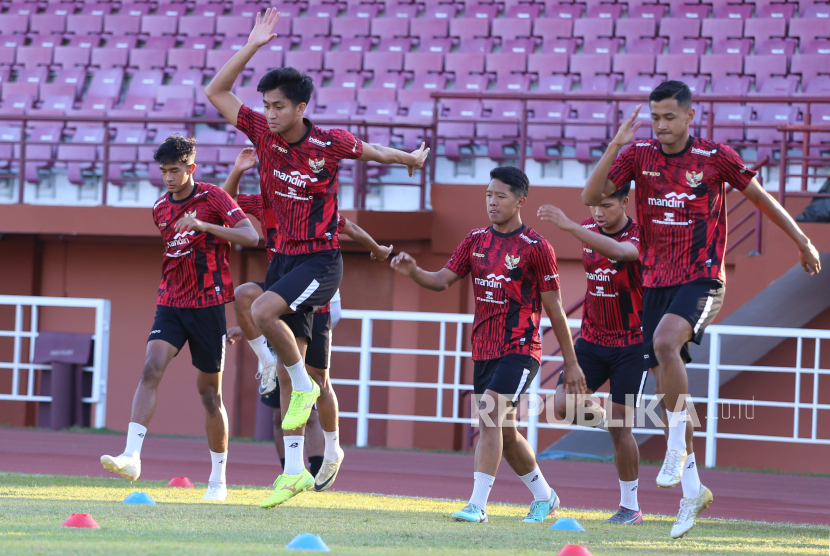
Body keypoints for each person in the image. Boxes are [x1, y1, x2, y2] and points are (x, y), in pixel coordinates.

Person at [206, 8, 428, 507]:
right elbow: (216, 93)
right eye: (265, 105)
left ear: (302, 108)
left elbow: (373, 151)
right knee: (264, 328)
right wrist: (252, 45)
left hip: (321, 264)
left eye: (278, 106)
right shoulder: (262, 135)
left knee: (268, 320)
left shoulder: (329, 143)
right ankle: (291, 470)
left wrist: (411, 159)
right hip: (283, 262)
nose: (269, 113)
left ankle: (320, 424)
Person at [582, 80, 821, 538]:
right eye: (655, 118)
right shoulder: (639, 156)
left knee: (664, 342)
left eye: (670, 116)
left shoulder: (714, 158)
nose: (661, 125)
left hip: (703, 276)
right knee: (667, 377)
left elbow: (762, 200)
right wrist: (616, 142)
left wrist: (803, 240)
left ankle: (675, 448)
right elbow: (592, 197)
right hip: (656, 282)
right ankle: (692, 490)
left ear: (691, 116)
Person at [391, 167, 584, 524]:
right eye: (488, 195)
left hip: (521, 349)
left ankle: (477, 505)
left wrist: (570, 364)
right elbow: (440, 281)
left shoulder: (538, 247)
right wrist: (414, 272)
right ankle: (545, 497)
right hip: (483, 350)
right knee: (506, 434)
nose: (492, 202)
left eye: (501, 196)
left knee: (489, 415)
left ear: (520, 201)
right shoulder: (475, 240)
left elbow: (555, 308)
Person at [220, 148, 393, 503]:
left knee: (319, 382)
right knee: (250, 305)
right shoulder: (267, 201)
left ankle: (332, 450)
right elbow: (225, 203)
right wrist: (238, 169)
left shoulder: (311, 206)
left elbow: (351, 227)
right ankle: (293, 469)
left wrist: (376, 248)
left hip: (320, 303)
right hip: (283, 290)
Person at [100, 136, 259, 502]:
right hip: (170, 302)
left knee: (208, 395)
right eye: (163, 171)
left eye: (175, 170)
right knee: (151, 368)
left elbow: (251, 236)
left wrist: (206, 227)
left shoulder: (214, 198)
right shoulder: (159, 207)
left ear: (191, 168)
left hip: (208, 307)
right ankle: (132, 456)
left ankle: (218, 480)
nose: (168, 178)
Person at [538, 183, 646, 526]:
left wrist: (569, 225)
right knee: (560, 406)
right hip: (592, 340)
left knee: (621, 430)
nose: (599, 213)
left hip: (632, 344)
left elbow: (622, 253)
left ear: (625, 202)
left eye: (608, 205)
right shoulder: (586, 227)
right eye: (595, 207)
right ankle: (608, 421)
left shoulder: (641, 236)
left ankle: (630, 508)